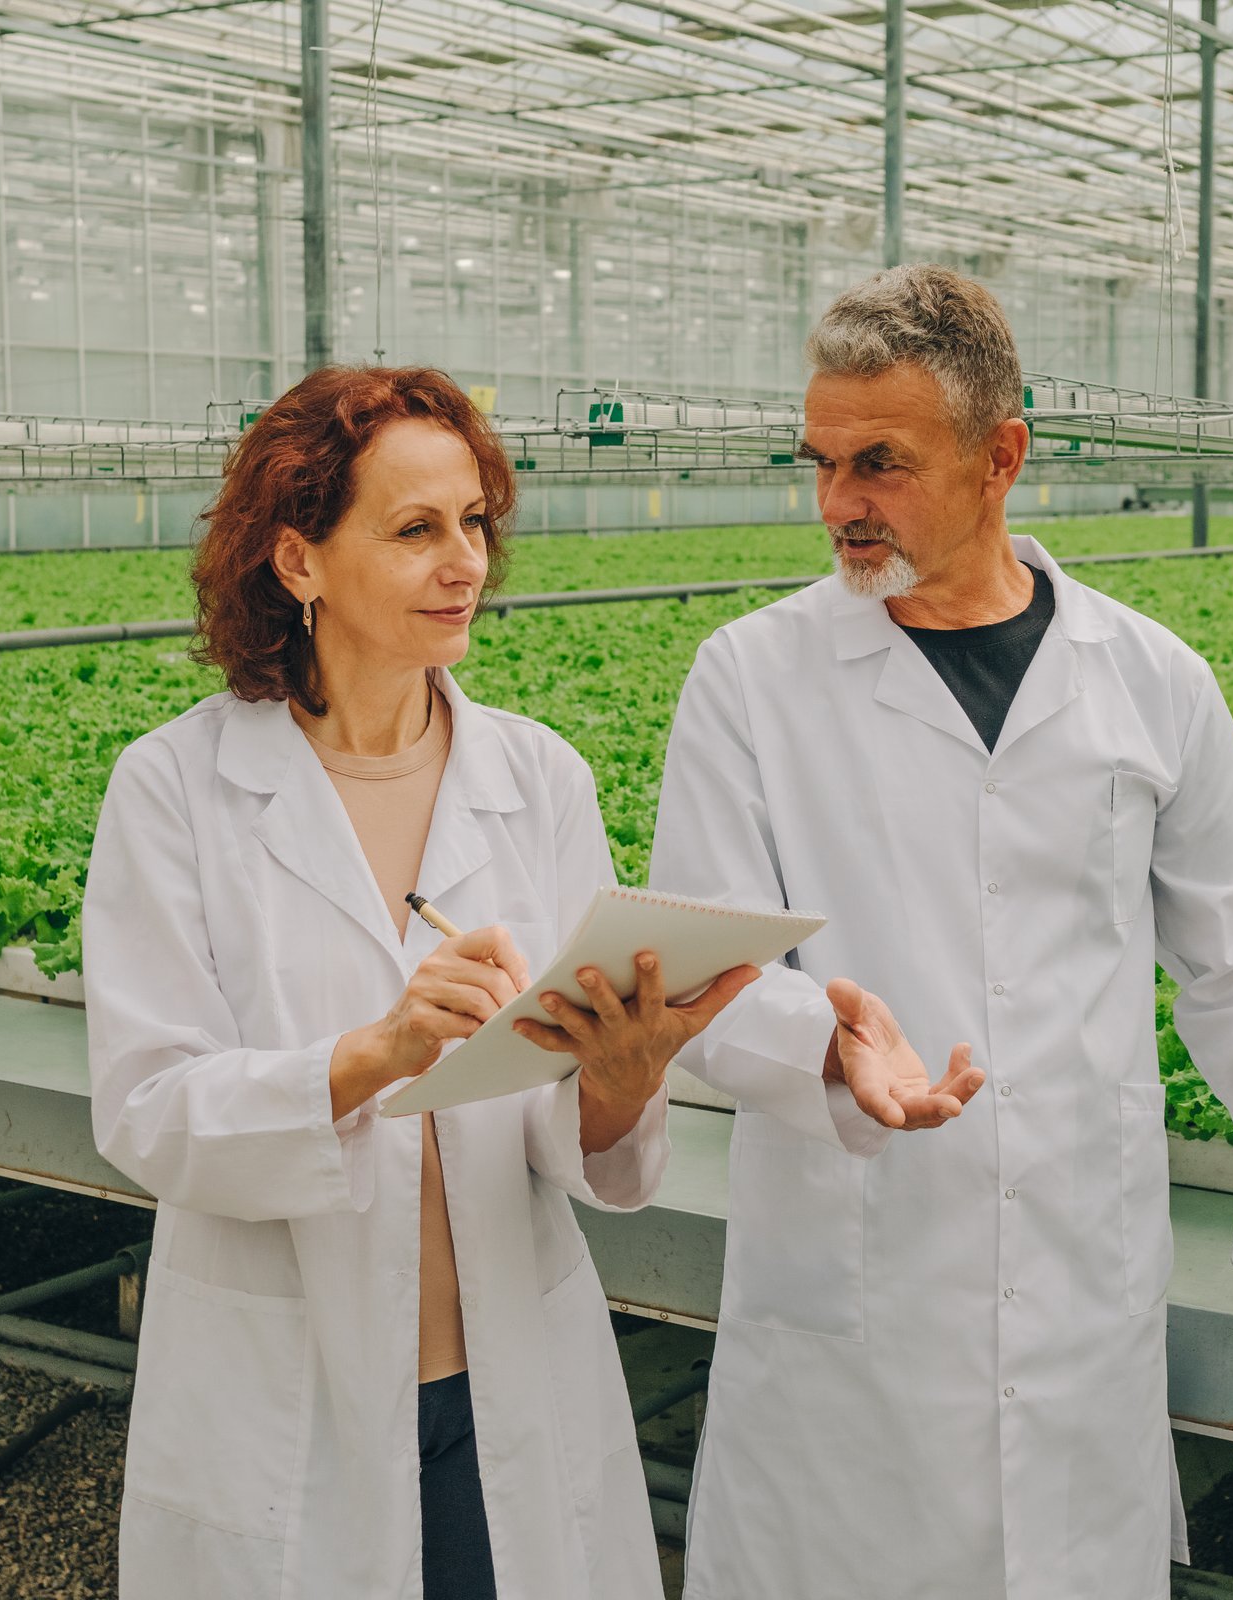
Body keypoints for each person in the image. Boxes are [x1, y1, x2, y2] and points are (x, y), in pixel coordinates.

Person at [649, 265, 1233, 1600]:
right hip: (852, 1314)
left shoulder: (1150, 683)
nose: (837, 504)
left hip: (1078, 1311)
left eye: (879, 463)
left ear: (1002, 456)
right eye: (818, 461)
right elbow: (702, 978)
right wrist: (829, 1049)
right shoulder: (752, 680)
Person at [82, 365, 756, 1600]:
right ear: (299, 562)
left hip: (511, 1379)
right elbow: (146, 1105)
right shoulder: (175, 790)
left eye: (475, 523)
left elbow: (573, 1131)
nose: (467, 563)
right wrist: (376, 1054)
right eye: (416, 530)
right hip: (288, 1383)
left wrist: (620, 1076)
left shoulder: (538, 777)